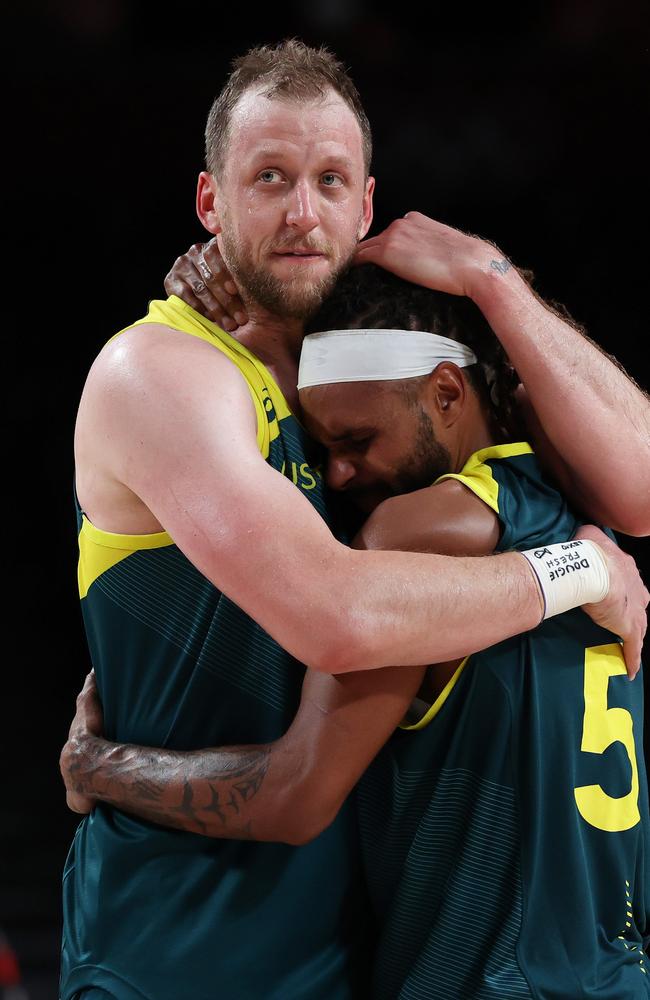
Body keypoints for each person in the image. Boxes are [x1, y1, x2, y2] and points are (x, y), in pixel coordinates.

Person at [61, 39, 649, 1000]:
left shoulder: (376, 372)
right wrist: (576, 571)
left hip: (348, 949)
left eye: (329, 181)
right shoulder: (160, 371)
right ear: (211, 204)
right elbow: (335, 614)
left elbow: (641, 482)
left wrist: (492, 279)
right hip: (169, 949)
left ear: (367, 205)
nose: (303, 212)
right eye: (269, 179)